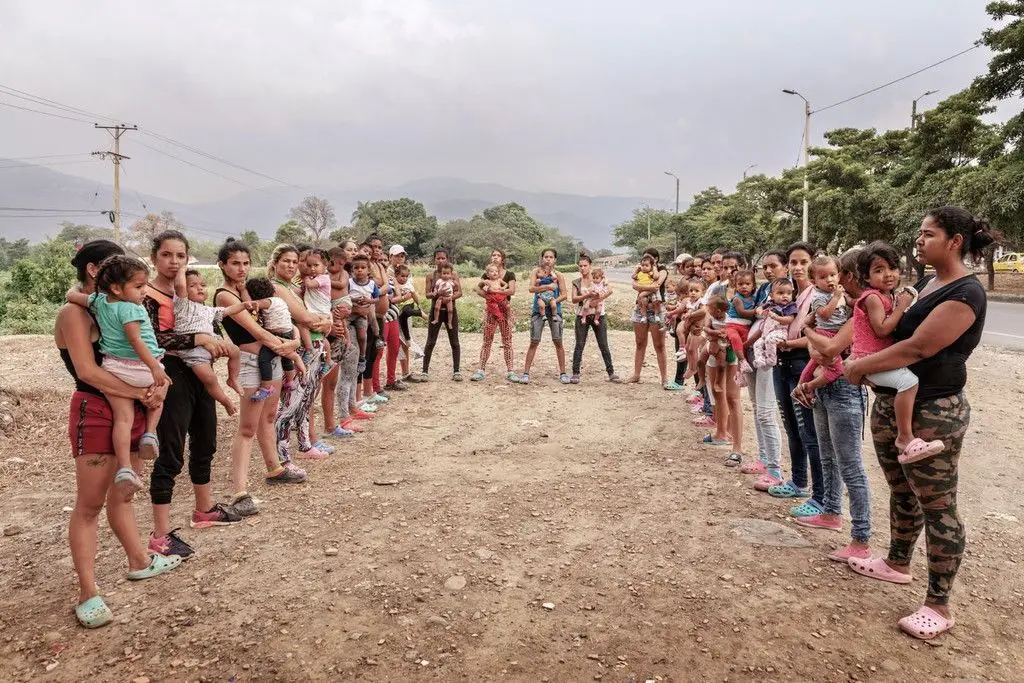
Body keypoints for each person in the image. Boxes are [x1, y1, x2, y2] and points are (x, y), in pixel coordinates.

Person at [844, 206, 991, 640]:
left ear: (955, 241)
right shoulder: (929, 283)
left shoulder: (966, 294)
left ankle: (938, 605)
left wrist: (859, 367)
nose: (919, 240)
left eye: (928, 234)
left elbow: (917, 348)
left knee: (938, 505)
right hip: (893, 404)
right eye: (920, 233)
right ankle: (896, 562)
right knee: (900, 490)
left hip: (933, 412)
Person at [57, 239, 181, 628]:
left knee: (124, 493)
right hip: (97, 410)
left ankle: (139, 560)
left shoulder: (117, 308)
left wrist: (154, 389)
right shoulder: (74, 314)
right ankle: (88, 592)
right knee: (90, 505)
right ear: (95, 271)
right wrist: (141, 392)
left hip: (130, 407)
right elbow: (88, 372)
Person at [144, 230, 240, 560]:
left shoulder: (191, 294)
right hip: (170, 376)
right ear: (154, 257)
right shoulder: (146, 294)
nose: (173, 262)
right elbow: (150, 339)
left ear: (187, 259)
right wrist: (197, 340)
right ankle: (160, 535)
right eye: (166, 255)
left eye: (180, 256)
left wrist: (214, 343)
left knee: (206, 441)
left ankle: (205, 509)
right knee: (170, 451)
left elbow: (211, 330)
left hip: (200, 375)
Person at [214, 239, 307, 517]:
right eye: (235, 263)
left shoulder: (245, 291)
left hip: (271, 357)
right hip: (254, 361)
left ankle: (274, 467)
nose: (241, 269)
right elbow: (257, 332)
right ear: (222, 265)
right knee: (246, 428)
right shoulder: (224, 296)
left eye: (245, 263)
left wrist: (288, 347)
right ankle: (240, 491)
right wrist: (290, 347)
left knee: (269, 416)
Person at [66, 255, 168, 499]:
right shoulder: (132, 309)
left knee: (123, 418)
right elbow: (136, 340)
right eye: (139, 286)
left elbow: (72, 296)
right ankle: (150, 434)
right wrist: (155, 367)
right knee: (158, 399)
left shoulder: (99, 302)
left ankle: (124, 468)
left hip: (114, 368)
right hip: (141, 368)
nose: (145, 291)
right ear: (116, 287)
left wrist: (75, 290)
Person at [795, 249, 873, 563]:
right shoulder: (838, 305)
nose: (834, 280)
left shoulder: (857, 312)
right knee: (828, 455)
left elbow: (828, 348)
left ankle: (861, 537)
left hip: (844, 390)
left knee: (851, 465)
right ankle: (830, 511)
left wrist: (808, 329)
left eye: (838, 274)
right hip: (828, 388)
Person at [845, 241, 941, 463]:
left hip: (876, 359)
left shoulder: (886, 294)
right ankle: (905, 438)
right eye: (879, 270)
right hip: (868, 360)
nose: (888, 274)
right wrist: (902, 305)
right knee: (909, 382)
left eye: (892, 268)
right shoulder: (873, 297)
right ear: (866, 277)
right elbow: (882, 330)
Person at [767, 242, 825, 518]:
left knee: (809, 432)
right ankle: (799, 481)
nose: (798, 267)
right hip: (783, 363)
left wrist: (790, 344)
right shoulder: (789, 295)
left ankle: (820, 495)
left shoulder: (817, 296)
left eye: (803, 262)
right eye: (793, 262)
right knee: (791, 426)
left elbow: (820, 336)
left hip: (802, 364)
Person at [269, 244, 333, 462]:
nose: (291, 265)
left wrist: (326, 322)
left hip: (313, 346)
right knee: (290, 403)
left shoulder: (293, 288)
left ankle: (305, 445)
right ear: (275, 262)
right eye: (286, 260)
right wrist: (325, 322)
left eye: (295, 262)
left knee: (306, 399)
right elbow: (304, 318)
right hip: (298, 350)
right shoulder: (276, 287)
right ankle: (282, 456)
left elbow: (311, 315)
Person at [170, 267, 247, 415]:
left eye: (203, 285)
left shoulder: (208, 310)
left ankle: (232, 379)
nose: (199, 288)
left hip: (213, 341)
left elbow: (226, 311)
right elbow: (179, 285)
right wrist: (181, 266)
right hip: (192, 350)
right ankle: (225, 401)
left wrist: (243, 305)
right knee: (210, 379)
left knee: (236, 351)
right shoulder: (183, 305)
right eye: (192, 286)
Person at [792, 256, 851, 406]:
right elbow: (824, 314)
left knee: (812, 363)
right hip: (826, 333)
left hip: (835, 333)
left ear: (839, 275)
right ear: (813, 282)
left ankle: (800, 387)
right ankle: (807, 387)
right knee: (836, 369)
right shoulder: (819, 296)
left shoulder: (837, 292)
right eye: (823, 277)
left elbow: (849, 303)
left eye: (832, 275)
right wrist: (836, 298)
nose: (829, 280)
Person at [628, 248, 680, 390]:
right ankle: (636, 374)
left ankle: (664, 378)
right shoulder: (641, 269)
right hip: (641, 307)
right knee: (639, 342)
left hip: (656, 308)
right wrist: (642, 288)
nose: (646, 260)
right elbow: (634, 284)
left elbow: (656, 285)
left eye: (649, 258)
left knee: (659, 345)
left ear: (655, 259)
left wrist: (639, 289)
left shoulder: (661, 270)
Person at [246, 277, 304, 401]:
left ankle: (266, 386)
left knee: (264, 359)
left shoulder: (266, 302)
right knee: (286, 359)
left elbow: (256, 304)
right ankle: (290, 382)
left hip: (278, 335)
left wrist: (250, 303)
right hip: (289, 332)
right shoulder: (279, 300)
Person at [520, 248, 569, 384]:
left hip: (555, 310)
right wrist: (547, 287)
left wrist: (552, 302)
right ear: (542, 259)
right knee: (534, 341)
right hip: (538, 310)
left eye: (551, 257)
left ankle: (563, 373)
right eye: (546, 256)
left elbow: (564, 294)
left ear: (555, 260)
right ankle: (525, 373)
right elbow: (531, 288)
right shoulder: (536, 272)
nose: (548, 259)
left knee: (558, 341)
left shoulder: (558, 275)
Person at [569, 254, 619, 384]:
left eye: (585, 265)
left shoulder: (598, 277)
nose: (583, 268)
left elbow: (610, 290)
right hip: (582, 315)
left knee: (603, 344)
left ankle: (611, 372)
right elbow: (574, 299)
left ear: (590, 266)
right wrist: (588, 295)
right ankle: (575, 373)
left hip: (599, 314)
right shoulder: (576, 282)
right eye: (580, 266)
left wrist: (596, 300)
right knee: (579, 344)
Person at [472, 249, 518, 382]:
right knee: (487, 340)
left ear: (503, 259)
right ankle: (480, 370)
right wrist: (488, 292)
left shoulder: (509, 274)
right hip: (491, 310)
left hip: (504, 310)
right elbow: (478, 289)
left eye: (498, 255)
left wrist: (494, 290)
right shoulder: (487, 274)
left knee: (507, 341)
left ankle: (510, 371)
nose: (495, 257)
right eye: (493, 255)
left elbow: (512, 290)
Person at [421, 248, 463, 381]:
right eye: (438, 258)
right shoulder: (431, 276)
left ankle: (456, 371)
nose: (440, 261)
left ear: (447, 259)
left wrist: (450, 297)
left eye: (443, 258)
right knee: (431, 341)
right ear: (434, 260)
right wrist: (436, 294)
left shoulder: (453, 274)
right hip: (436, 311)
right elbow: (427, 294)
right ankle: (424, 371)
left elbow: (459, 292)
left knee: (454, 342)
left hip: (450, 310)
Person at [431, 264, 457, 328]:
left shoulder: (451, 282)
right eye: (444, 273)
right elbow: (436, 288)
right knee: (436, 308)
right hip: (441, 297)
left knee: (450, 310)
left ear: (451, 274)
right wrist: (435, 292)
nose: (445, 275)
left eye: (448, 273)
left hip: (448, 299)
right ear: (441, 274)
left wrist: (452, 295)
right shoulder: (439, 281)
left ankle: (449, 322)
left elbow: (456, 289)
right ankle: (436, 319)